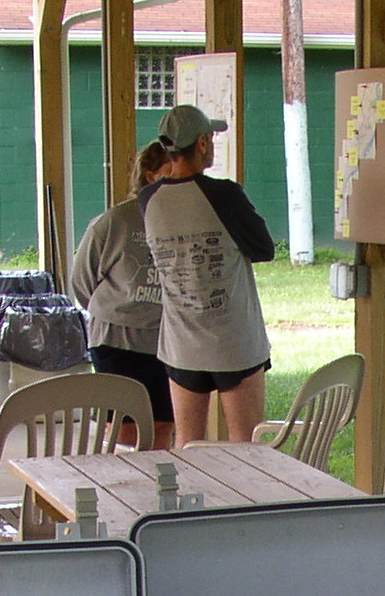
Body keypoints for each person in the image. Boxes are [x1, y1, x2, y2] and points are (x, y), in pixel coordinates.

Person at [137, 104, 277, 447]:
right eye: (211, 137)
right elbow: (264, 248)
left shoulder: (148, 199)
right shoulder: (224, 194)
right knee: (246, 446)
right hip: (234, 343)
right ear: (201, 142)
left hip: (181, 345)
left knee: (187, 446)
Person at [68, 140, 175, 449]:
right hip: (118, 340)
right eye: (169, 172)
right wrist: (119, 309)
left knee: (165, 422)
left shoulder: (183, 218)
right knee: (126, 429)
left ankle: (157, 487)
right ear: (151, 176)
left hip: (167, 340)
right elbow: (82, 281)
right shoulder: (116, 222)